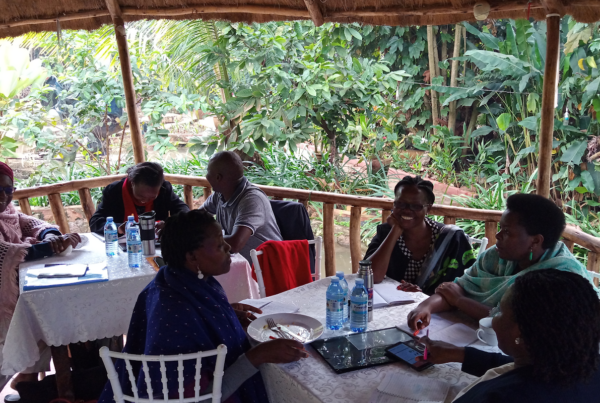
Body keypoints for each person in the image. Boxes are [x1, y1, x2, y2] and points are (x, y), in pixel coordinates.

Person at [98, 210, 307, 402]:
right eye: (218, 245)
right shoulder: (175, 315)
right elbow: (201, 399)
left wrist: (225, 314)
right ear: (191, 257)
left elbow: (197, 315)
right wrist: (258, 356)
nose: (228, 247)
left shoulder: (175, 280)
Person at [407, 193, 598, 331]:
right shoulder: (497, 256)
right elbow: (456, 288)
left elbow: (517, 324)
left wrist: (459, 301)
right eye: (500, 228)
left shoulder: (562, 278)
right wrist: (426, 307)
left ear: (536, 240)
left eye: (507, 232)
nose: (497, 236)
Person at [416, 269, 600, 402]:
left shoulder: (496, 397)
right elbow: (526, 368)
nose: (493, 318)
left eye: (499, 312)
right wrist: (462, 354)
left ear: (519, 331)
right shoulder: (584, 365)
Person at [0, 162, 81, 390]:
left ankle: (26, 382)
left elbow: (31, 223)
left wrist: (51, 234)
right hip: (3, 304)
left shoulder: (7, 211)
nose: (4, 197)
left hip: (19, 291)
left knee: (44, 325)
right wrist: (49, 246)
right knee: (14, 343)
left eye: (8, 190)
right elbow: (8, 252)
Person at [364, 176, 475, 294]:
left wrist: (423, 295)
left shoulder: (451, 239)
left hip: (438, 309)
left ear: (428, 208)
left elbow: (466, 286)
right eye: (400, 204)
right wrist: (395, 232)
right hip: (395, 306)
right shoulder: (386, 232)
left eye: (416, 206)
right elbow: (370, 277)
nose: (407, 210)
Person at [200, 151, 282, 263]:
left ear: (218, 178)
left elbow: (235, 244)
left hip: (268, 267)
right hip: (244, 265)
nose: (206, 176)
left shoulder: (252, 199)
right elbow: (196, 218)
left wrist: (198, 241)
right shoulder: (220, 195)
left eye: (208, 172)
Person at [89, 162, 189, 236]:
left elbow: (184, 212)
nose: (145, 201)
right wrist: (118, 227)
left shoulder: (164, 190)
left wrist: (168, 224)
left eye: (152, 197)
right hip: (124, 245)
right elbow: (95, 222)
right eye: (140, 196)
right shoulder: (114, 191)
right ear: (132, 183)